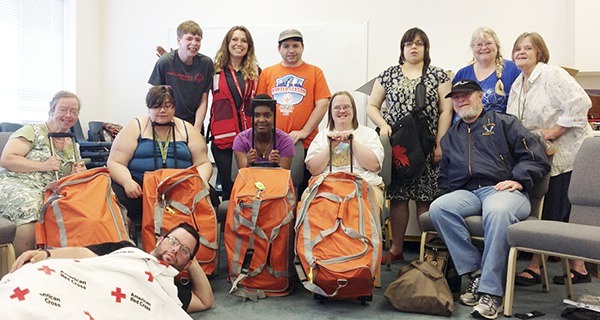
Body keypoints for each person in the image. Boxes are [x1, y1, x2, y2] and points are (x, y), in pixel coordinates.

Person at [429, 80, 550, 319]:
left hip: (503, 190)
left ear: (480, 97)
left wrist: (519, 179)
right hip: (469, 192)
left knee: (497, 211)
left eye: (466, 95)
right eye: (456, 97)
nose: (461, 100)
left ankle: (491, 293)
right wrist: (451, 191)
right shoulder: (451, 136)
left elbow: (536, 157)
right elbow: (445, 175)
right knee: (438, 208)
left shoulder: (505, 123)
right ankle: (475, 271)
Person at [506, 32, 594, 286]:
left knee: (555, 210)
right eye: (517, 49)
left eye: (528, 48)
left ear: (540, 53)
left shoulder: (551, 74)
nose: (521, 52)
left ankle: (537, 266)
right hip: (543, 156)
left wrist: (552, 132)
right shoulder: (518, 84)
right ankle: (578, 267)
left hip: (569, 154)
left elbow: (580, 103)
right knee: (558, 210)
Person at [366, 27, 452, 263]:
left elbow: (447, 110)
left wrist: (440, 144)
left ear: (426, 48)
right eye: (409, 44)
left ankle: (428, 251)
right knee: (399, 197)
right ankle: (396, 249)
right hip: (399, 146)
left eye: (419, 43)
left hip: (427, 146)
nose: (414, 47)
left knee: (426, 197)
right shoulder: (388, 74)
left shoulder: (439, 76)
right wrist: (383, 125)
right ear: (402, 49)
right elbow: (371, 106)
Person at [10, 222, 214, 313]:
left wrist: (191, 261)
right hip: (87, 290)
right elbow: (83, 254)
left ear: (187, 263)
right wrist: (45, 255)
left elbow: (205, 301)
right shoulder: (126, 249)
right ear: (159, 240)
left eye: (185, 250)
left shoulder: (169, 288)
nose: (176, 249)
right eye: (173, 241)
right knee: (30, 280)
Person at [107, 85, 213, 224]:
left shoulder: (187, 129)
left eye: (167, 106)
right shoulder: (135, 126)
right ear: (149, 108)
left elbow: (203, 163)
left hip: (180, 188)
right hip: (140, 188)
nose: (162, 111)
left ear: (174, 108)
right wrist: (127, 182)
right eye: (157, 106)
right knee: (114, 197)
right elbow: (115, 162)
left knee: (208, 196)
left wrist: (202, 180)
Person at [0, 91, 86, 256]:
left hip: (50, 189)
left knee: (78, 208)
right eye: (62, 110)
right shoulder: (32, 130)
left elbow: (68, 176)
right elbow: (7, 159)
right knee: (33, 209)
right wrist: (42, 165)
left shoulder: (72, 143)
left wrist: (77, 172)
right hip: (16, 183)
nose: (68, 115)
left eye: (73, 111)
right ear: (52, 110)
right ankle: (21, 268)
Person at [257, 28, 331, 196]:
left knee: (303, 192)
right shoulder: (268, 73)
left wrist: (304, 131)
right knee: (272, 191)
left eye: (295, 46)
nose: (291, 50)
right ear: (279, 49)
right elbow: (260, 106)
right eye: (286, 46)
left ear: (302, 47)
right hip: (272, 143)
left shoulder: (315, 72)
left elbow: (323, 104)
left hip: (305, 143)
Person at [305, 91, 385, 207]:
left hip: (363, 184)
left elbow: (375, 166)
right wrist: (330, 147)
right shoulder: (322, 136)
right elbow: (313, 169)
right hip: (327, 184)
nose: (342, 111)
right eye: (337, 108)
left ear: (353, 110)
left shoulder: (369, 134)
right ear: (331, 112)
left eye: (346, 107)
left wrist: (352, 143)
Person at [209, 26, 260, 200]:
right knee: (228, 187)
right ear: (227, 43)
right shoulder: (214, 70)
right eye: (235, 40)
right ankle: (228, 226)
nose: (239, 44)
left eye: (244, 40)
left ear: (249, 46)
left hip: (249, 138)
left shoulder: (256, 73)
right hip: (223, 137)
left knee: (248, 184)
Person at [148, 20, 214, 133]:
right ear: (178, 40)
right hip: (167, 124)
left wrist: (196, 129)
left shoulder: (206, 64)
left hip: (193, 124)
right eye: (189, 39)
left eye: (198, 40)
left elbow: (204, 100)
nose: (194, 43)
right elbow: (153, 99)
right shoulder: (164, 62)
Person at [452, 27, 521, 122]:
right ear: (472, 48)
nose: (484, 48)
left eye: (488, 43)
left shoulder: (512, 69)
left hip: (497, 130)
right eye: (479, 44)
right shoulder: (462, 73)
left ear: (497, 46)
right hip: (463, 132)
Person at [232, 94, 295, 169]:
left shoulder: (285, 141)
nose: (261, 120)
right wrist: (248, 163)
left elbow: (284, 176)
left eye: (267, 115)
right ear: (251, 118)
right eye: (257, 115)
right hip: (250, 180)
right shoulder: (241, 140)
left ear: (274, 117)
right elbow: (243, 175)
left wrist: (276, 165)